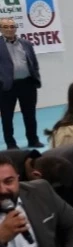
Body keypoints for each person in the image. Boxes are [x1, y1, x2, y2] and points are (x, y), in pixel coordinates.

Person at [0, 18, 41, 150]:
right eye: (6, 26)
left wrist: (35, 77)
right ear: (1, 29)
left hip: (27, 84)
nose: (9, 29)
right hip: (7, 86)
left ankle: (33, 140)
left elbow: (34, 63)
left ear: (16, 28)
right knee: (7, 116)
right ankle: (11, 144)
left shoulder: (26, 43)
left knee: (30, 114)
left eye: (12, 26)